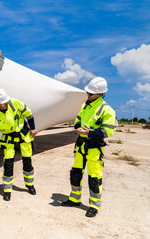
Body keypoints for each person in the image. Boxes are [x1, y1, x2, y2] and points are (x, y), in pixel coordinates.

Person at [61, 77, 116, 217]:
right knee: (76, 173)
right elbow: (77, 120)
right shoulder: (84, 106)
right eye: (87, 92)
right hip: (81, 145)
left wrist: (89, 132)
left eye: (91, 93)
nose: (88, 95)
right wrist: (78, 128)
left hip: (94, 147)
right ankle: (74, 199)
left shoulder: (107, 110)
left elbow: (107, 131)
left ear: (100, 93)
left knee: (94, 177)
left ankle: (94, 206)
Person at [0, 88, 37, 201]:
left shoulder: (14, 102)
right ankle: (7, 190)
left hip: (23, 135)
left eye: (5, 101)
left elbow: (29, 114)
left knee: (27, 162)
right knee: (8, 164)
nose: (5, 104)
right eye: (2, 103)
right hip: (9, 139)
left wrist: (33, 128)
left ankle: (30, 185)